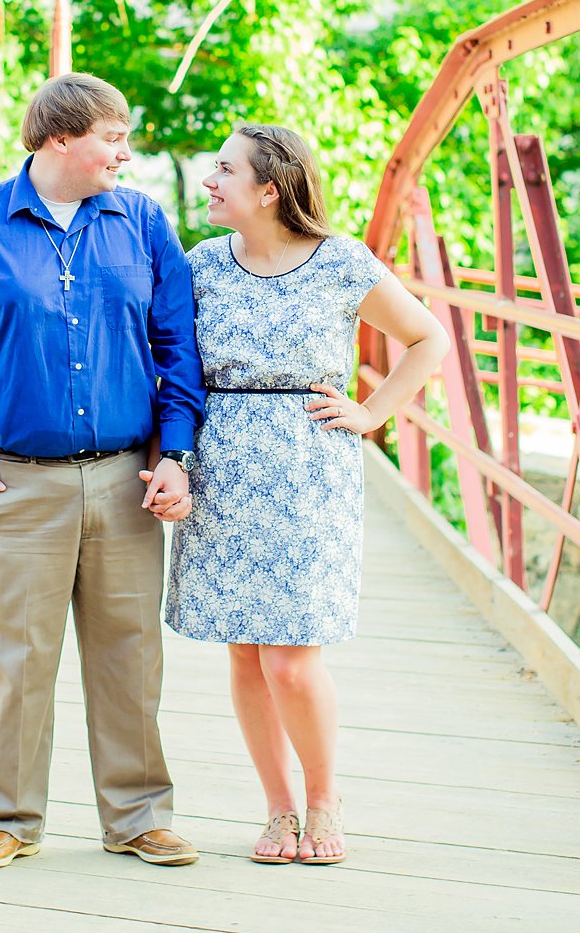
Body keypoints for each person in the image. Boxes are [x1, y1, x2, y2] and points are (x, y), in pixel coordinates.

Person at [0, 73, 207, 872]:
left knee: (131, 655)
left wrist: (174, 454)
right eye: (113, 136)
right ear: (58, 138)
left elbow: (179, 351)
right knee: (19, 660)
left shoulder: (142, 222)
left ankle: (140, 817)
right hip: (15, 482)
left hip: (125, 478)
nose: (124, 151)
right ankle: (10, 819)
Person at [163, 123, 450, 865]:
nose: (210, 181)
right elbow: (171, 365)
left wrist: (371, 412)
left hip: (307, 470)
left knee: (291, 660)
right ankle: (279, 808)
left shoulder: (341, 263)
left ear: (269, 187)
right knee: (246, 658)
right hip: (222, 469)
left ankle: (324, 798)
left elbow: (428, 340)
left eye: (225, 170)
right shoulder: (200, 266)